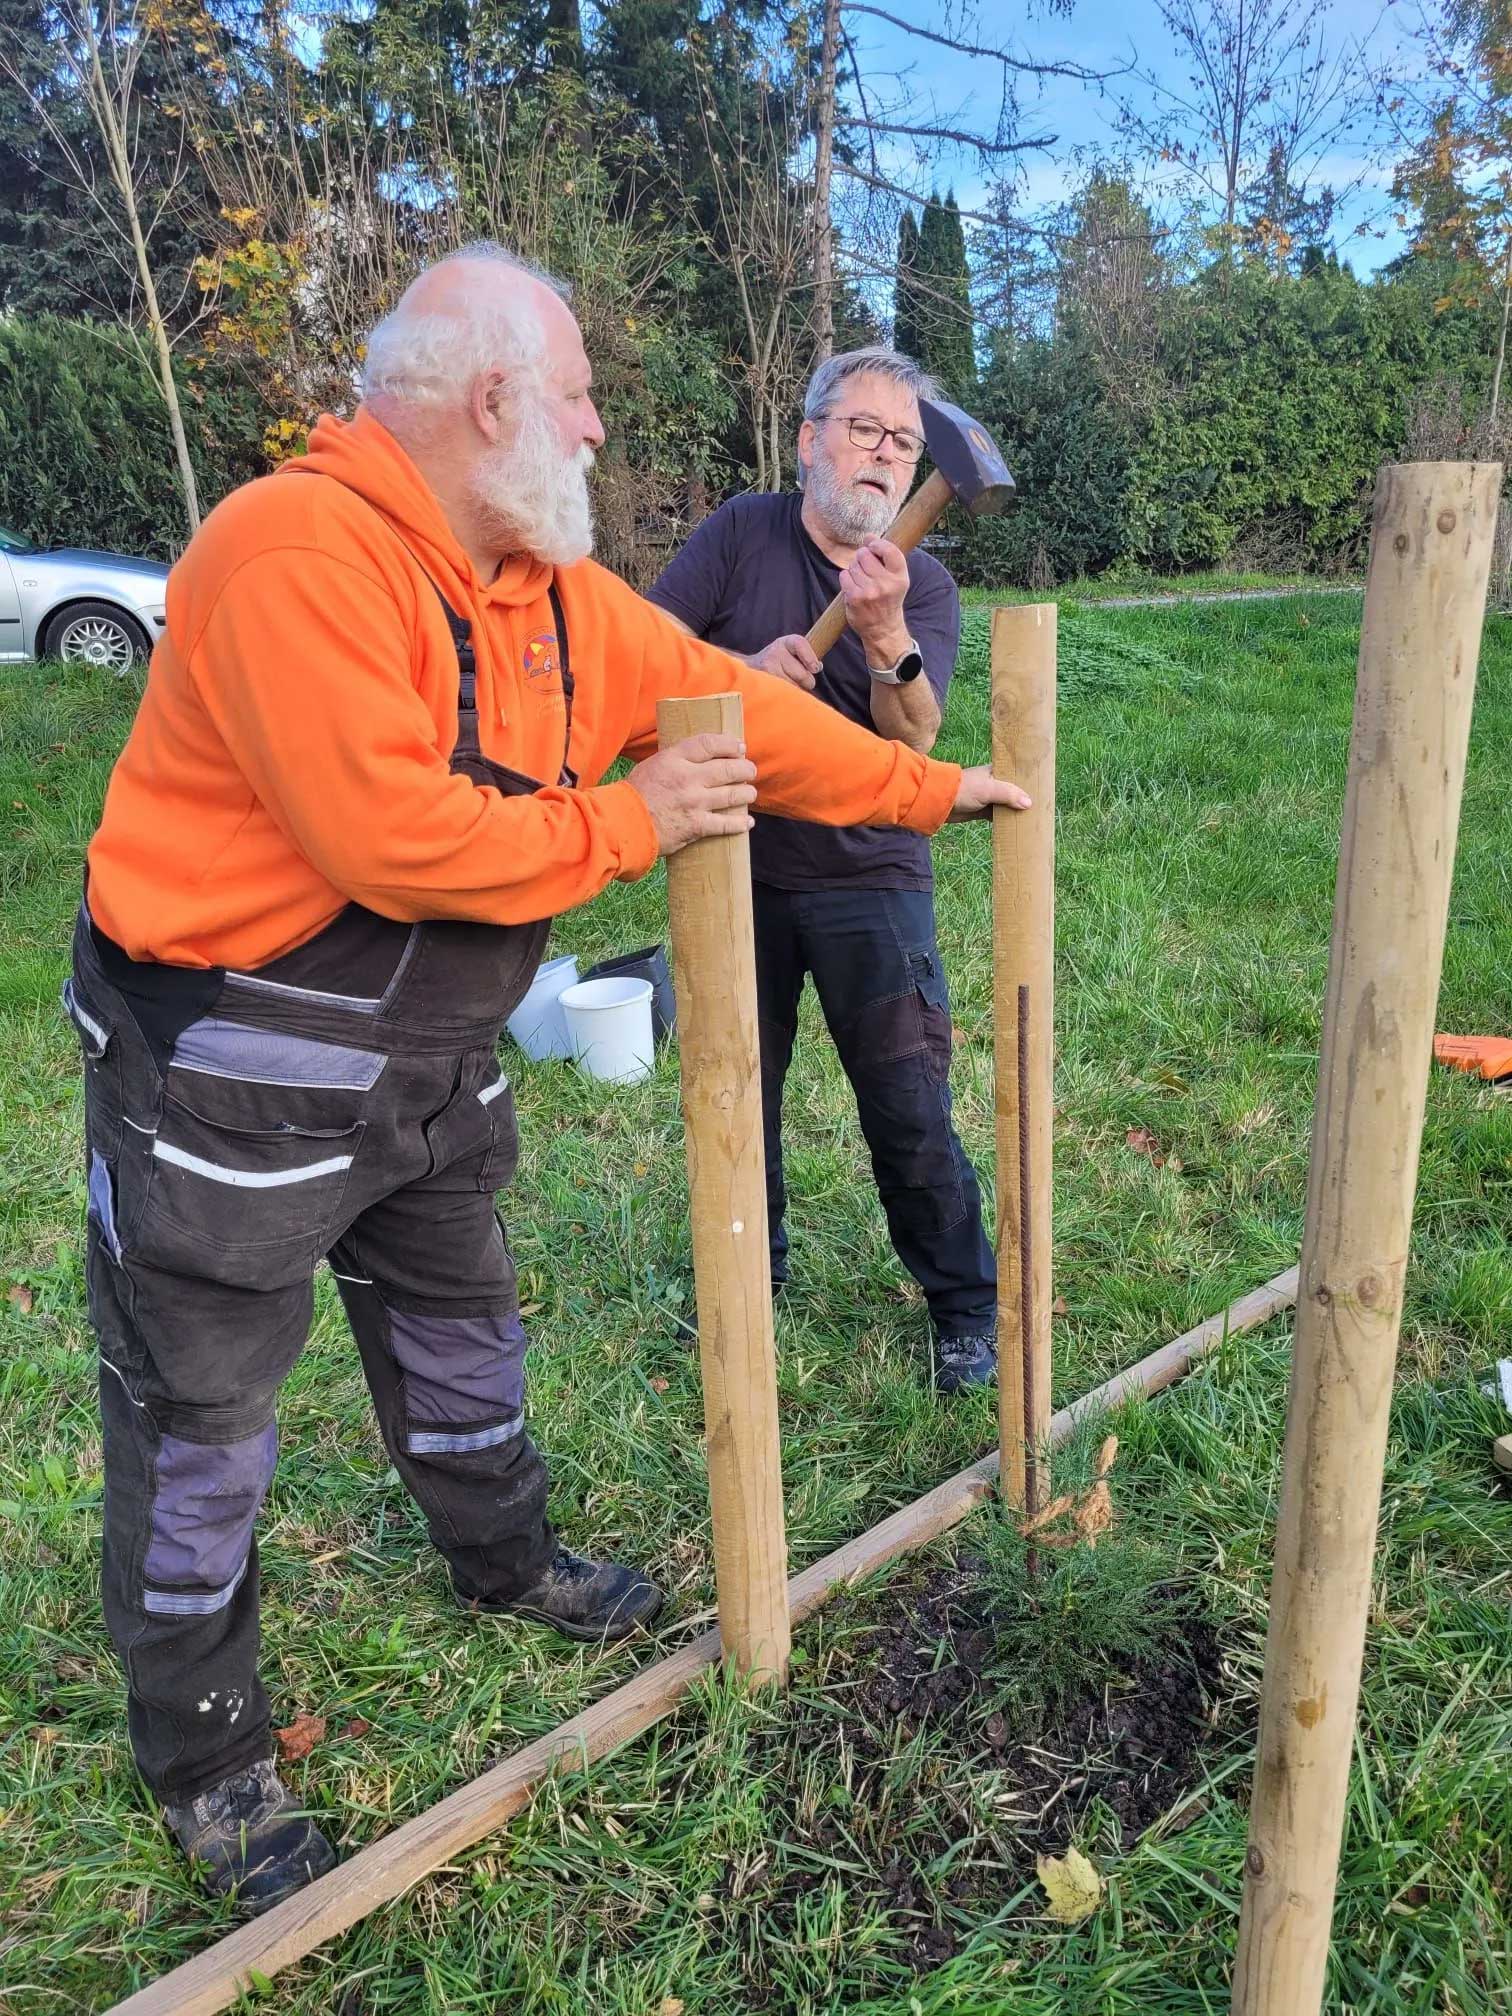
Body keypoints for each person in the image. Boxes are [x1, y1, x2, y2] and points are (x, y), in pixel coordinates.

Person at [67, 249, 1029, 1914]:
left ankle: (505, 1561)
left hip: (429, 1061)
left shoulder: (545, 593)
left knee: (462, 1328)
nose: (596, 428)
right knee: (201, 1416)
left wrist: (928, 790)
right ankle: (207, 1757)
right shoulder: (293, 552)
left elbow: (733, 712)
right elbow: (392, 836)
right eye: (578, 398)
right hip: (234, 1075)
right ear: (494, 399)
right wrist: (631, 825)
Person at [648, 348, 999, 1395]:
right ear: (809, 440)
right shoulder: (739, 534)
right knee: (734, 1093)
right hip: (734, 858)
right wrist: (740, 673)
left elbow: (915, 739)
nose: (885, 456)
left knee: (908, 1102)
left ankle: (964, 1306)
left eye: (905, 444)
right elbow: (647, 652)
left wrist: (886, 634)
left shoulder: (923, 583)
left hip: (871, 871)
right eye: (865, 430)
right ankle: (746, 1281)